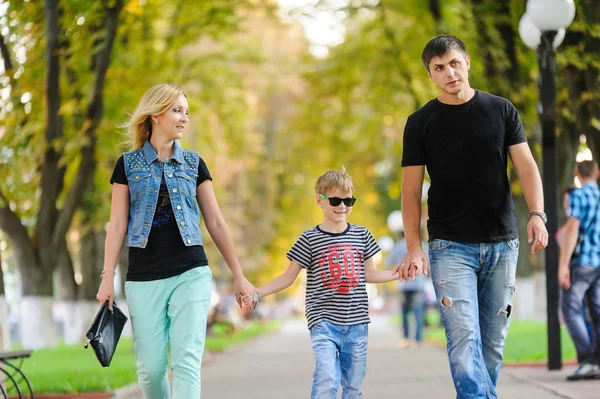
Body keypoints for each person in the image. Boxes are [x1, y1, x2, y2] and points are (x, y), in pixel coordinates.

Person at [399, 35, 548, 398]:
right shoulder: (420, 122)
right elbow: (410, 191)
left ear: (467, 61)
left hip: (502, 242)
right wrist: (414, 247)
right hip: (450, 247)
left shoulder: (501, 110)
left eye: (453, 63)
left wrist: (537, 214)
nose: (449, 72)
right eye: (439, 68)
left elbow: (526, 167)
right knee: (464, 341)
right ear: (431, 76)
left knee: (492, 345)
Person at [96, 83, 256, 399]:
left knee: (186, 362)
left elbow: (216, 222)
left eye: (186, 112)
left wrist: (239, 275)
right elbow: (117, 225)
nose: (184, 118)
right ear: (156, 114)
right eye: (177, 110)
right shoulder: (127, 166)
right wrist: (106, 279)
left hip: (191, 272)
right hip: (144, 277)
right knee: (151, 370)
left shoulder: (194, 164)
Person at [242, 169, 422, 399]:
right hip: (323, 322)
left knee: (354, 386)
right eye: (336, 200)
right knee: (327, 378)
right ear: (320, 200)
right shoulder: (309, 239)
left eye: (348, 201)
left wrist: (399, 274)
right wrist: (257, 293)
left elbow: (370, 274)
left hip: (357, 323)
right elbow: (288, 277)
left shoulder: (362, 235)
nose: (342, 206)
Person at [558, 160, 600, 381]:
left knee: (570, 309)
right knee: (597, 311)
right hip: (599, 262)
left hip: (582, 263)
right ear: (597, 173)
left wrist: (563, 264)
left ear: (577, 173)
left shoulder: (578, 195)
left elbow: (572, 229)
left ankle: (588, 360)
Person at [557, 185, 594, 346]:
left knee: (574, 311)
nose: (566, 204)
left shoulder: (577, 223)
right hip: (580, 268)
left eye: (568, 201)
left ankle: (588, 356)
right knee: (586, 313)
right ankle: (592, 358)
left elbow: (569, 237)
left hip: (580, 268)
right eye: (565, 201)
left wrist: (563, 266)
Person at [387, 232, 428, 347]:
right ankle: (418, 340)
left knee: (404, 313)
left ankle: (405, 339)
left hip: (403, 284)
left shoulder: (399, 245)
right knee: (418, 313)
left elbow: (389, 262)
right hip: (419, 284)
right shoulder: (423, 246)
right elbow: (429, 264)